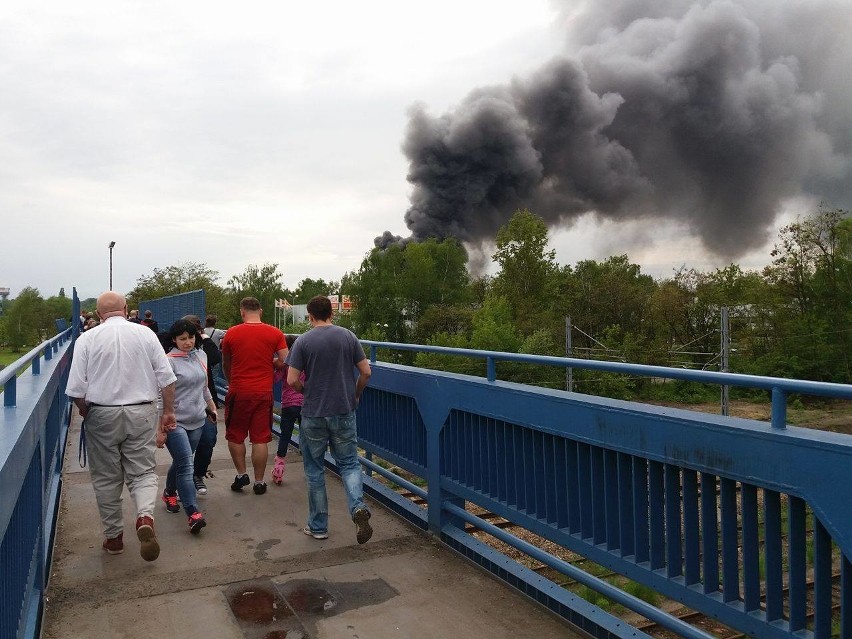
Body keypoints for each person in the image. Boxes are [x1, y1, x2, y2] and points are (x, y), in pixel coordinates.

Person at [65, 291, 177, 561]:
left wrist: (84, 409)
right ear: (127, 309)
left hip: (102, 413)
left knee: (106, 478)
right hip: (141, 411)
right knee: (142, 472)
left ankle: (114, 538)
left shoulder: (86, 339)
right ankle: (144, 516)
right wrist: (169, 412)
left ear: (99, 313)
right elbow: (167, 378)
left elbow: (76, 389)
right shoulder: (145, 334)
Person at [286, 295, 373, 543]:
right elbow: (366, 371)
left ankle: (318, 527)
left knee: (314, 470)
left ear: (310, 316)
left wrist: (307, 392)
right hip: (344, 410)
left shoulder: (302, 341)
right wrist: (355, 394)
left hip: (313, 414)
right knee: (349, 464)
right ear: (331, 313)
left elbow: (292, 380)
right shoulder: (348, 336)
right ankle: (357, 507)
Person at [221, 297, 287, 495]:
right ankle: (259, 482)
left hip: (239, 390)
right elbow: (286, 359)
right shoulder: (275, 333)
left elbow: (226, 363)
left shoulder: (231, 333)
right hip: (263, 392)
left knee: (235, 435)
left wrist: (231, 380)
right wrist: (271, 363)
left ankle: (242, 475)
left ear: (242, 312)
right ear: (261, 311)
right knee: (260, 438)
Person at [161, 319, 217, 533]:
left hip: (197, 419)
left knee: (181, 461)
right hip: (175, 421)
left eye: (191, 338)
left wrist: (211, 408)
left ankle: (169, 492)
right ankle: (193, 513)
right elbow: (161, 396)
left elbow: (204, 388)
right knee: (186, 465)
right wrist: (160, 426)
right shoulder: (168, 361)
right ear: (174, 339)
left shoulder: (200, 356)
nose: (187, 342)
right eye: (182, 339)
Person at [183, 314, 222, 496]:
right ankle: (180, 482)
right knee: (185, 448)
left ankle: (198, 474)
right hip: (181, 406)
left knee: (208, 439)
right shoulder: (172, 351)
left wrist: (205, 338)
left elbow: (216, 357)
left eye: (193, 335)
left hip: (205, 402)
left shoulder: (202, 352)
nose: (189, 340)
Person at [272, 334, 304, 485]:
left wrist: (272, 364)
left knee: (285, 435)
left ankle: (279, 469)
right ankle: (310, 464)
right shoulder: (304, 361)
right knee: (307, 435)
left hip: (288, 404)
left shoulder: (285, 363)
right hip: (305, 404)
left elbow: (275, 379)